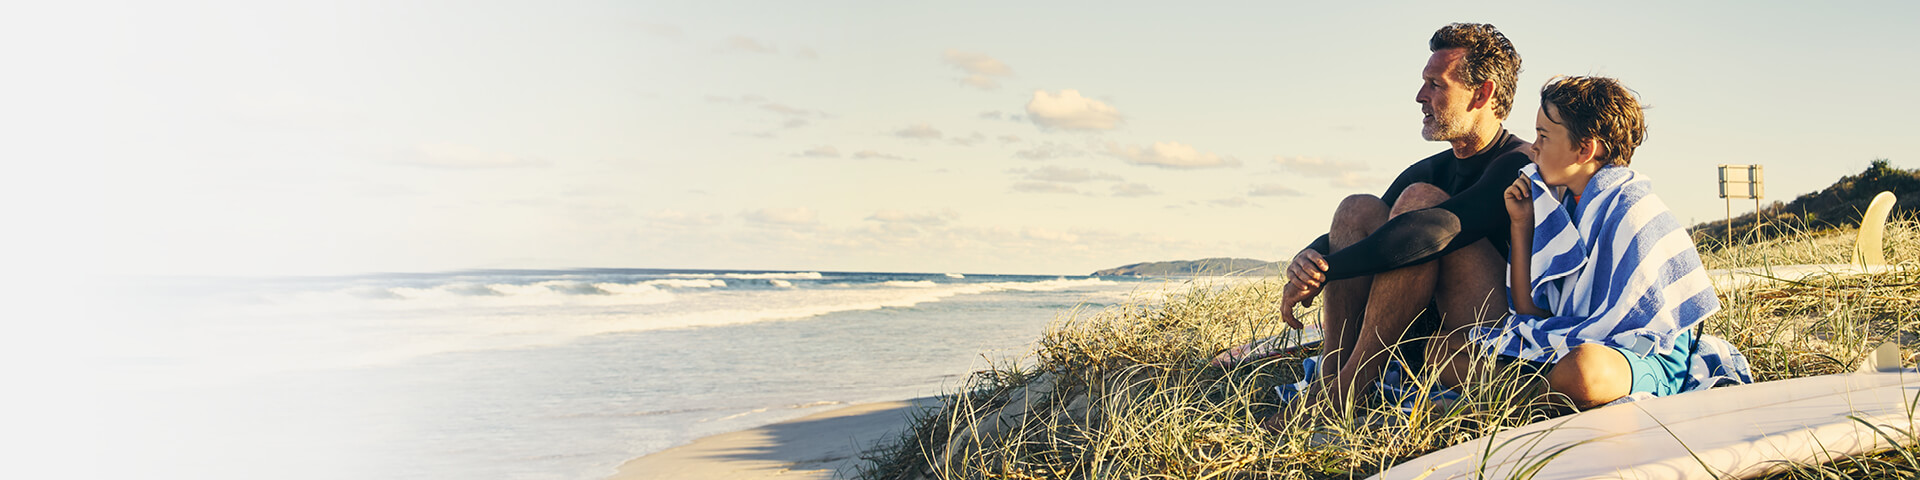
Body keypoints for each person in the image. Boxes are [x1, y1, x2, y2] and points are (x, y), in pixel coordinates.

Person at [1215, 23, 1533, 416]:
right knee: (1358, 208)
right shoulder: (1430, 168)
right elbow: (1365, 232)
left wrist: (1328, 269)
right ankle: (1331, 374)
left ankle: (1349, 389)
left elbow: (1432, 231)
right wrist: (1308, 261)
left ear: (1482, 93)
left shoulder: (1520, 162)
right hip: (1424, 328)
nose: (1420, 97)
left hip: (1486, 336)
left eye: (1436, 85)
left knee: (1419, 207)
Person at [1429, 75, 1751, 410]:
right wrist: (1521, 224)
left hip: (1641, 359)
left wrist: (1577, 348)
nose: (1533, 147)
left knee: (1584, 371)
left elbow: (1643, 335)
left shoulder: (1636, 209)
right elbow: (1529, 312)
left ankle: (1516, 396)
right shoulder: (1559, 207)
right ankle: (1534, 396)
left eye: (1543, 136)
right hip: (1565, 345)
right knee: (1441, 350)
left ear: (1585, 149)